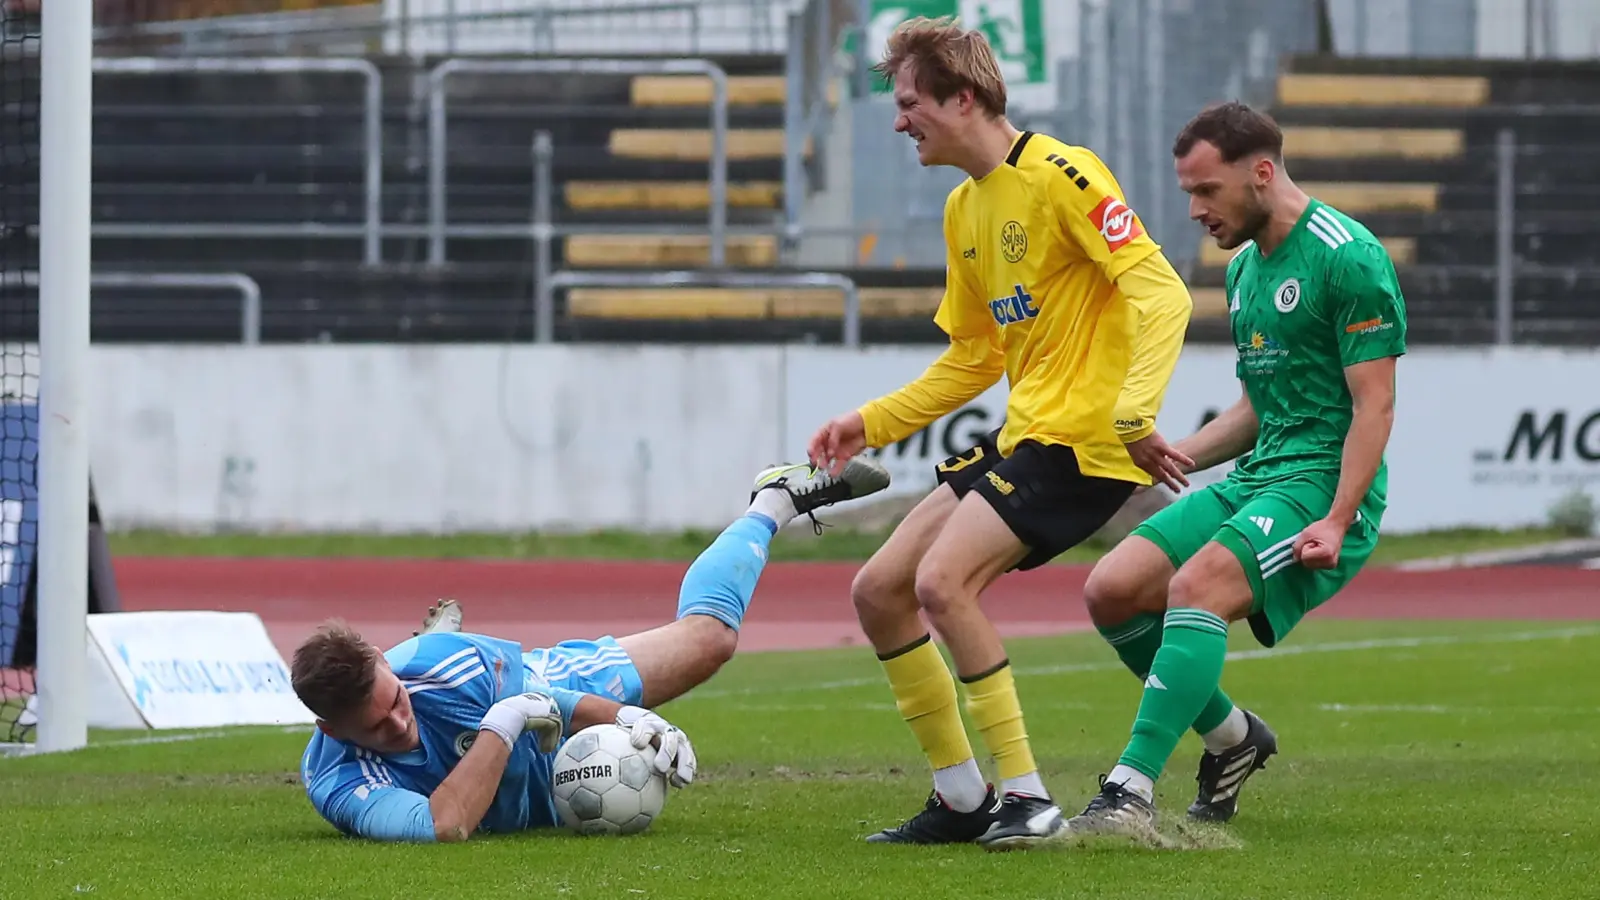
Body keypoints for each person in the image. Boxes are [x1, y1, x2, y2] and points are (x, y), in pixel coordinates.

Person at [806, 16, 1196, 849]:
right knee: (878, 591)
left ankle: (1028, 798)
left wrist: (1133, 413)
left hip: (1085, 442)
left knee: (944, 583)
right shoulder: (964, 208)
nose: (900, 118)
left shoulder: (1063, 173)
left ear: (964, 96)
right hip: (1027, 437)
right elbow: (973, 361)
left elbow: (1163, 292)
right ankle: (961, 798)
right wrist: (867, 423)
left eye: (911, 101)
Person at [1062, 100, 1407, 840]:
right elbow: (1257, 407)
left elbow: (1373, 408)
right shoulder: (1246, 269)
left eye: (1205, 190)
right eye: (1188, 191)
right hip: (1262, 471)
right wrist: (1177, 452)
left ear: (1260, 173)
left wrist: (1338, 518)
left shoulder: (1348, 256)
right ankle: (1233, 740)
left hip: (1318, 483)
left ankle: (1128, 790)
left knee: (1195, 589)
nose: (1193, 209)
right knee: (1112, 591)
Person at [292, 457, 891, 842]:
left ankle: (774, 501)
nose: (401, 720)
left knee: (709, 641)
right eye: (379, 725)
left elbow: (543, 700)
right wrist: (501, 720)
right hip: (505, 714)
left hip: (540, 680)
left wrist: (635, 719)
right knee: (477, 700)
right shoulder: (337, 781)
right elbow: (444, 825)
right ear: (333, 729)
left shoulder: (440, 671)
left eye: (395, 698)